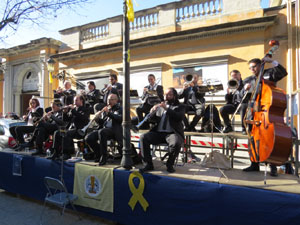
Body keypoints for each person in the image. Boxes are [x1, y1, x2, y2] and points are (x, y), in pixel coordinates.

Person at [242, 56, 288, 176]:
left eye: (254, 67)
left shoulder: (269, 74)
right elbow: (241, 95)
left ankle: (272, 165)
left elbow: (283, 72)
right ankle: (254, 164)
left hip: (266, 113)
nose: (252, 69)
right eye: (250, 68)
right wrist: (244, 90)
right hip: (254, 113)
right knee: (252, 138)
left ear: (260, 65)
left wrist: (272, 62)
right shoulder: (249, 80)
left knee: (270, 139)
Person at [139, 88, 186, 173]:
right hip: (159, 133)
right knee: (143, 137)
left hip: (172, 133)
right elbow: (153, 121)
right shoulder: (159, 106)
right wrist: (152, 112)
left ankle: (169, 164)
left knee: (175, 143)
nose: (166, 96)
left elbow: (178, 117)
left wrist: (167, 109)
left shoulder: (180, 106)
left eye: (169, 95)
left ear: (174, 96)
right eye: (166, 94)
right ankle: (148, 164)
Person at [85, 93, 122, 165]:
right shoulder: (106, 109)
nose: (109, 101)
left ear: (116, 100)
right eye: (108, 99)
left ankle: (104, 156)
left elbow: (119, 119)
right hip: (105, 129)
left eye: (111, 99)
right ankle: (99, 154)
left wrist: (108, 113)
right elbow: (102, 123)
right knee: (88, 138)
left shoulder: (120, 109)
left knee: (102, 132)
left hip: (115, 130)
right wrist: (97, 119)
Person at [50, 95, 90, 160]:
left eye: (76, 100)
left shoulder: (86, 109)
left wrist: (73, 110)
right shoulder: (73, 110)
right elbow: (66, 120)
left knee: (66, 133)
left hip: (79, 130)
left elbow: (82, 118)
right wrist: (65, 112)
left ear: (81, 101)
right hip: (71, 129)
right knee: (57, 132)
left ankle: (66, 154)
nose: (75, 102)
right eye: (74, 101)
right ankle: (56, 152)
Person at [220, 70, 248, 134]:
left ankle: (244, 128)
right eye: (232, 76)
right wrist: (228, 94)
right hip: (234, 105)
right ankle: (228, 126)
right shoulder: (232, 84)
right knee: (222, 109)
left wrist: (238, 88)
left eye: (235, 75)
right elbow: (228, 100)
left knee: (242, 107)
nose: (234, 77)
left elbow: (246, 95)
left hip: (243, 103)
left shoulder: (244, 83)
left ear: (239, 75)